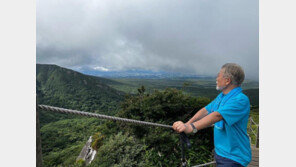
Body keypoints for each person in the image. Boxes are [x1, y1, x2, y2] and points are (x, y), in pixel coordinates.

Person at [172, 63, 252, 167]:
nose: (216, 78)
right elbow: (205, 110)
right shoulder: (222, 96)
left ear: (227, 80)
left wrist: (191, 128)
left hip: (234, 156)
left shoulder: (240, 99)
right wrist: (187, 124)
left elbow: (217, 116)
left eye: (219, 75)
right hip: (221, 152)